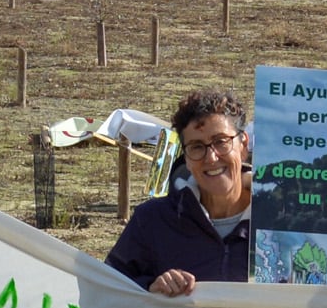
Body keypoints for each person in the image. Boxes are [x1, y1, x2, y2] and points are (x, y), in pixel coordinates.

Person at [105, 88, 253, 292]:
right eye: (197, 147)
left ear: (243, 145)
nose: (211, 158)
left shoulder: (283, 221)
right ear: (186, 158)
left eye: (221, 142)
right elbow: (106, 290)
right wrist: (149, 288)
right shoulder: (152, 221)